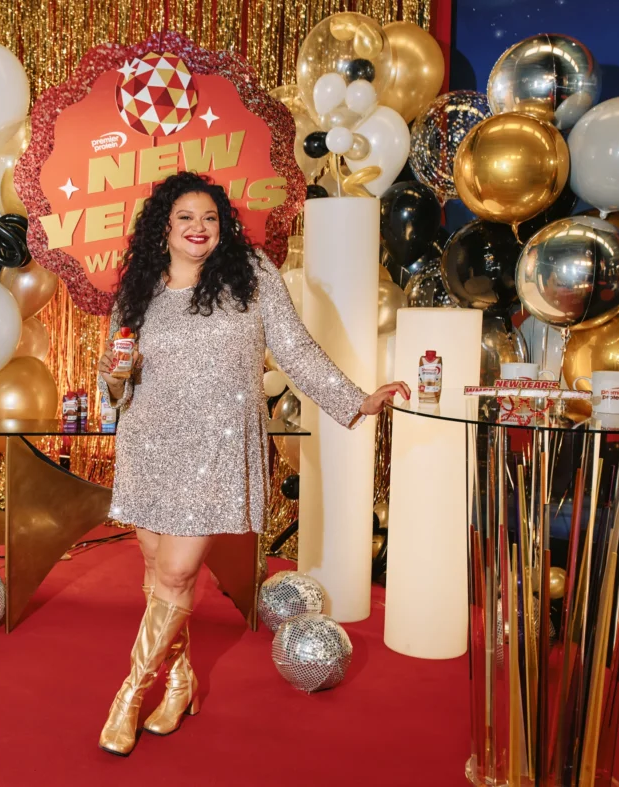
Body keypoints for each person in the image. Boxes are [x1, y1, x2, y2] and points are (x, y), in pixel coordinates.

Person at [95, 172, 409, 756]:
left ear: (223, 226)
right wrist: (115, 376)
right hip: (149, 442)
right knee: (159, 572)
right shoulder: (138, 290)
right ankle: (181, 683)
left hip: (215, 447)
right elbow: (113, 379)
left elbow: (294, 349)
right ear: (163, 226)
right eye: (185, 217)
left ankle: (129, 695)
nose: (199, 227)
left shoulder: (251, 275)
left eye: (210, 218)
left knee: (177, 574)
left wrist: (356, 399)